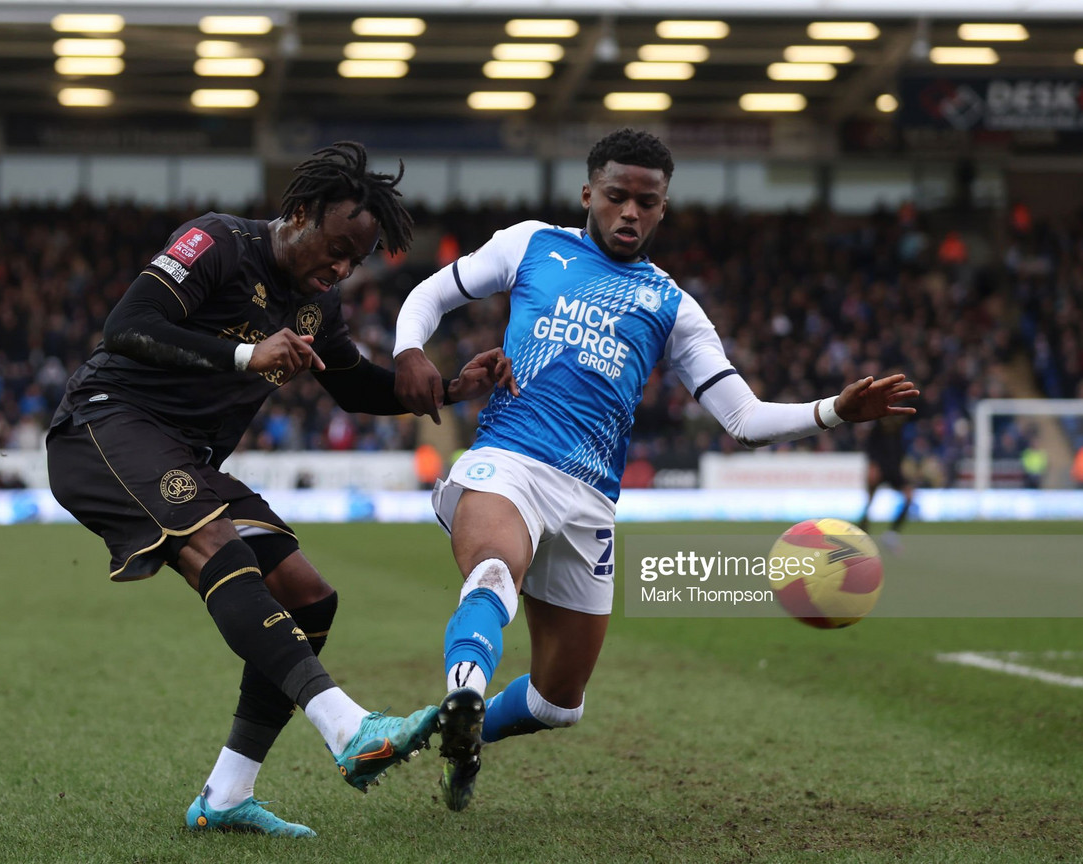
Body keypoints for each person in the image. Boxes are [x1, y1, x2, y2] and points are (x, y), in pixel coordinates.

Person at [391, 128, 918, 812]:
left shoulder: (672, 307)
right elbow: (429, 295)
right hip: (507, 462)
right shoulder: (530, 244)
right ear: (589, 193)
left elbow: (742, 418)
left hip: (588, 501)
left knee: (558, 703)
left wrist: (835, 411)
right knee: (495, 571)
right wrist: (409, 350)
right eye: (617, 197)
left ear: (663, 208)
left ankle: (463, 732)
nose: (630, 212)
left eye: (647, 201)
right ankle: (463, 687)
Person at [46, 142, 514, 839]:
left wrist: (448, 387)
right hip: (107, 424)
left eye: (354, 262)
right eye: (336, 249)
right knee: (217, 547)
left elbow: (353, 385)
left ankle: (228, 795)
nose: (341, 269)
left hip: (188, 459)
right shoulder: (217, 243)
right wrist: (245, 353)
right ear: (299, 213)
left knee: (307, 594)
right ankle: (349, 728)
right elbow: (127, 326)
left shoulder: (316, 306)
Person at [856, 414, 915, 551]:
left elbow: (900, 447)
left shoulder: (900, 424)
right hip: (879, 466)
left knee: (909, 497)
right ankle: (861, 536)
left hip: (894, 467)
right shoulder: (878, 422)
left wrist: (902, 466)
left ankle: (891, 535)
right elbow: (870, 445)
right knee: (869, 502)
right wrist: (872, 465)